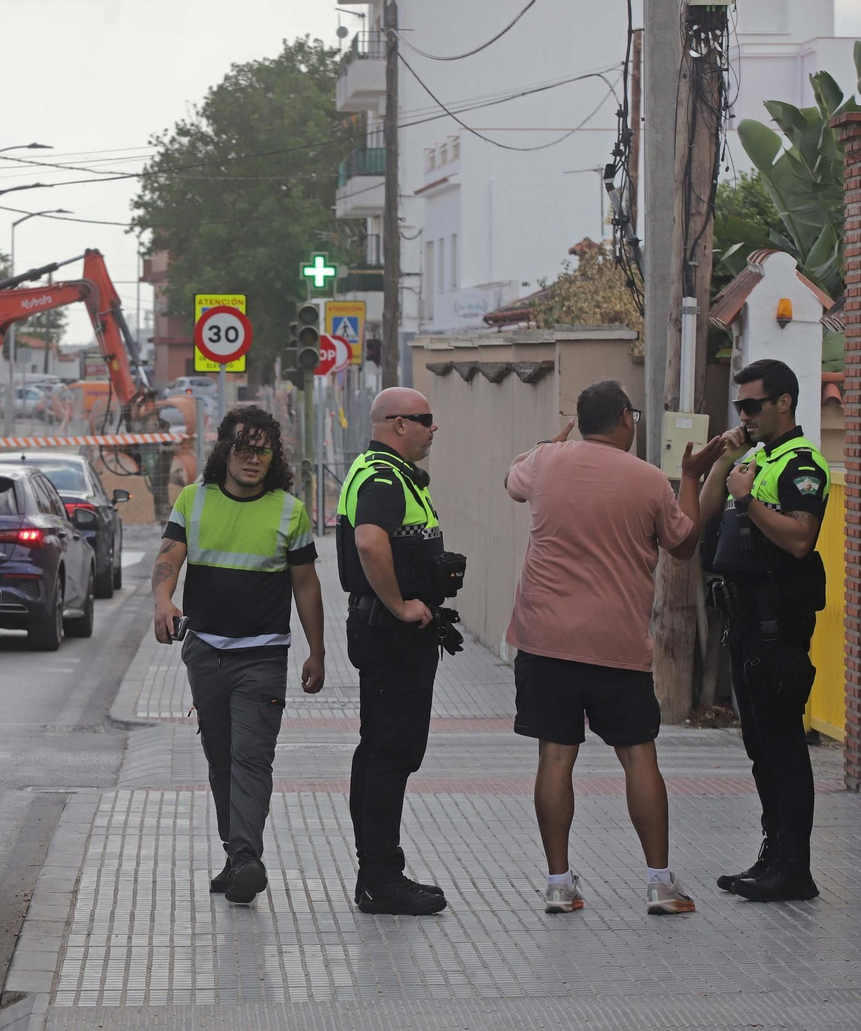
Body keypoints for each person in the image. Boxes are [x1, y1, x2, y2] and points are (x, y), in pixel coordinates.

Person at [504, 380, 724, 916]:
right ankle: (659, 883)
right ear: (626, 418)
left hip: (545, 639)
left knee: (555, 756)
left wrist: (546, 445)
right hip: (617, 644)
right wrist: (691, 478)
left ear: (580, 420)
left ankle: (559, 884)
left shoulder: (544, 462)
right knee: (638, 756)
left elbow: (512, 482)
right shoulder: (648, 480)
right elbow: (685, 542)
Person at [153, 405, 325, 906]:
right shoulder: (194, 499)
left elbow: (307, 585)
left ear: (275, 456)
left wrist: (317, 651)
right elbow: (169, 556)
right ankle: (237, 856)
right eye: (243, 448)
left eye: (263, 450)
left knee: (252, 758)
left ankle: (247, 857)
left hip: (263, 657)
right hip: (205, 652)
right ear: (225, 451)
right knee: (220, 758)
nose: (253, 458)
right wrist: (163, 602)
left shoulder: (289, 511)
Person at [700, 358, 830, 903]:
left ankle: (794, 868)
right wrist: (727, 458)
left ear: (783, 403)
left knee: (782, 745)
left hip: (778, 627)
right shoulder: (755, 459)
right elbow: (706, 511)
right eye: (740, 407)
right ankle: (773, 854)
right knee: (759, 744)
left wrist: (750, 500)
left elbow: (801, 538)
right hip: (746, 623)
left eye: (753, 406)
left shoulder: (803, 464)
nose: (745, 416)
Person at [336, 387, 461, 915]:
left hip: (387, 634)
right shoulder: (384, 476)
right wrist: (400, 605)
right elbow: (369, 540)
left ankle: (378, 872)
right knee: (390, 753)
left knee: (382, 751)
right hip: (390, 635)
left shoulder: (387, 471)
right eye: (426, 419)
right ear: (398, 424)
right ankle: (381, 878)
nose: (435, 429)